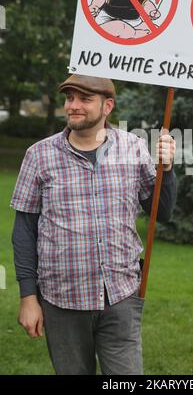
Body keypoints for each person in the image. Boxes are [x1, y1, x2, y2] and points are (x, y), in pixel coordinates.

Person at [10, 74, 176, 375]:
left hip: (120, 296)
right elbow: (24, 231)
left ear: (107, 106)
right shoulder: (39, 156)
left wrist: (167, 169)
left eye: (84, 99)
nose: (73, 106)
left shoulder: (133, 148)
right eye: (69, 98)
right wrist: (28, 297)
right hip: (62, 301)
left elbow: (160, 213)